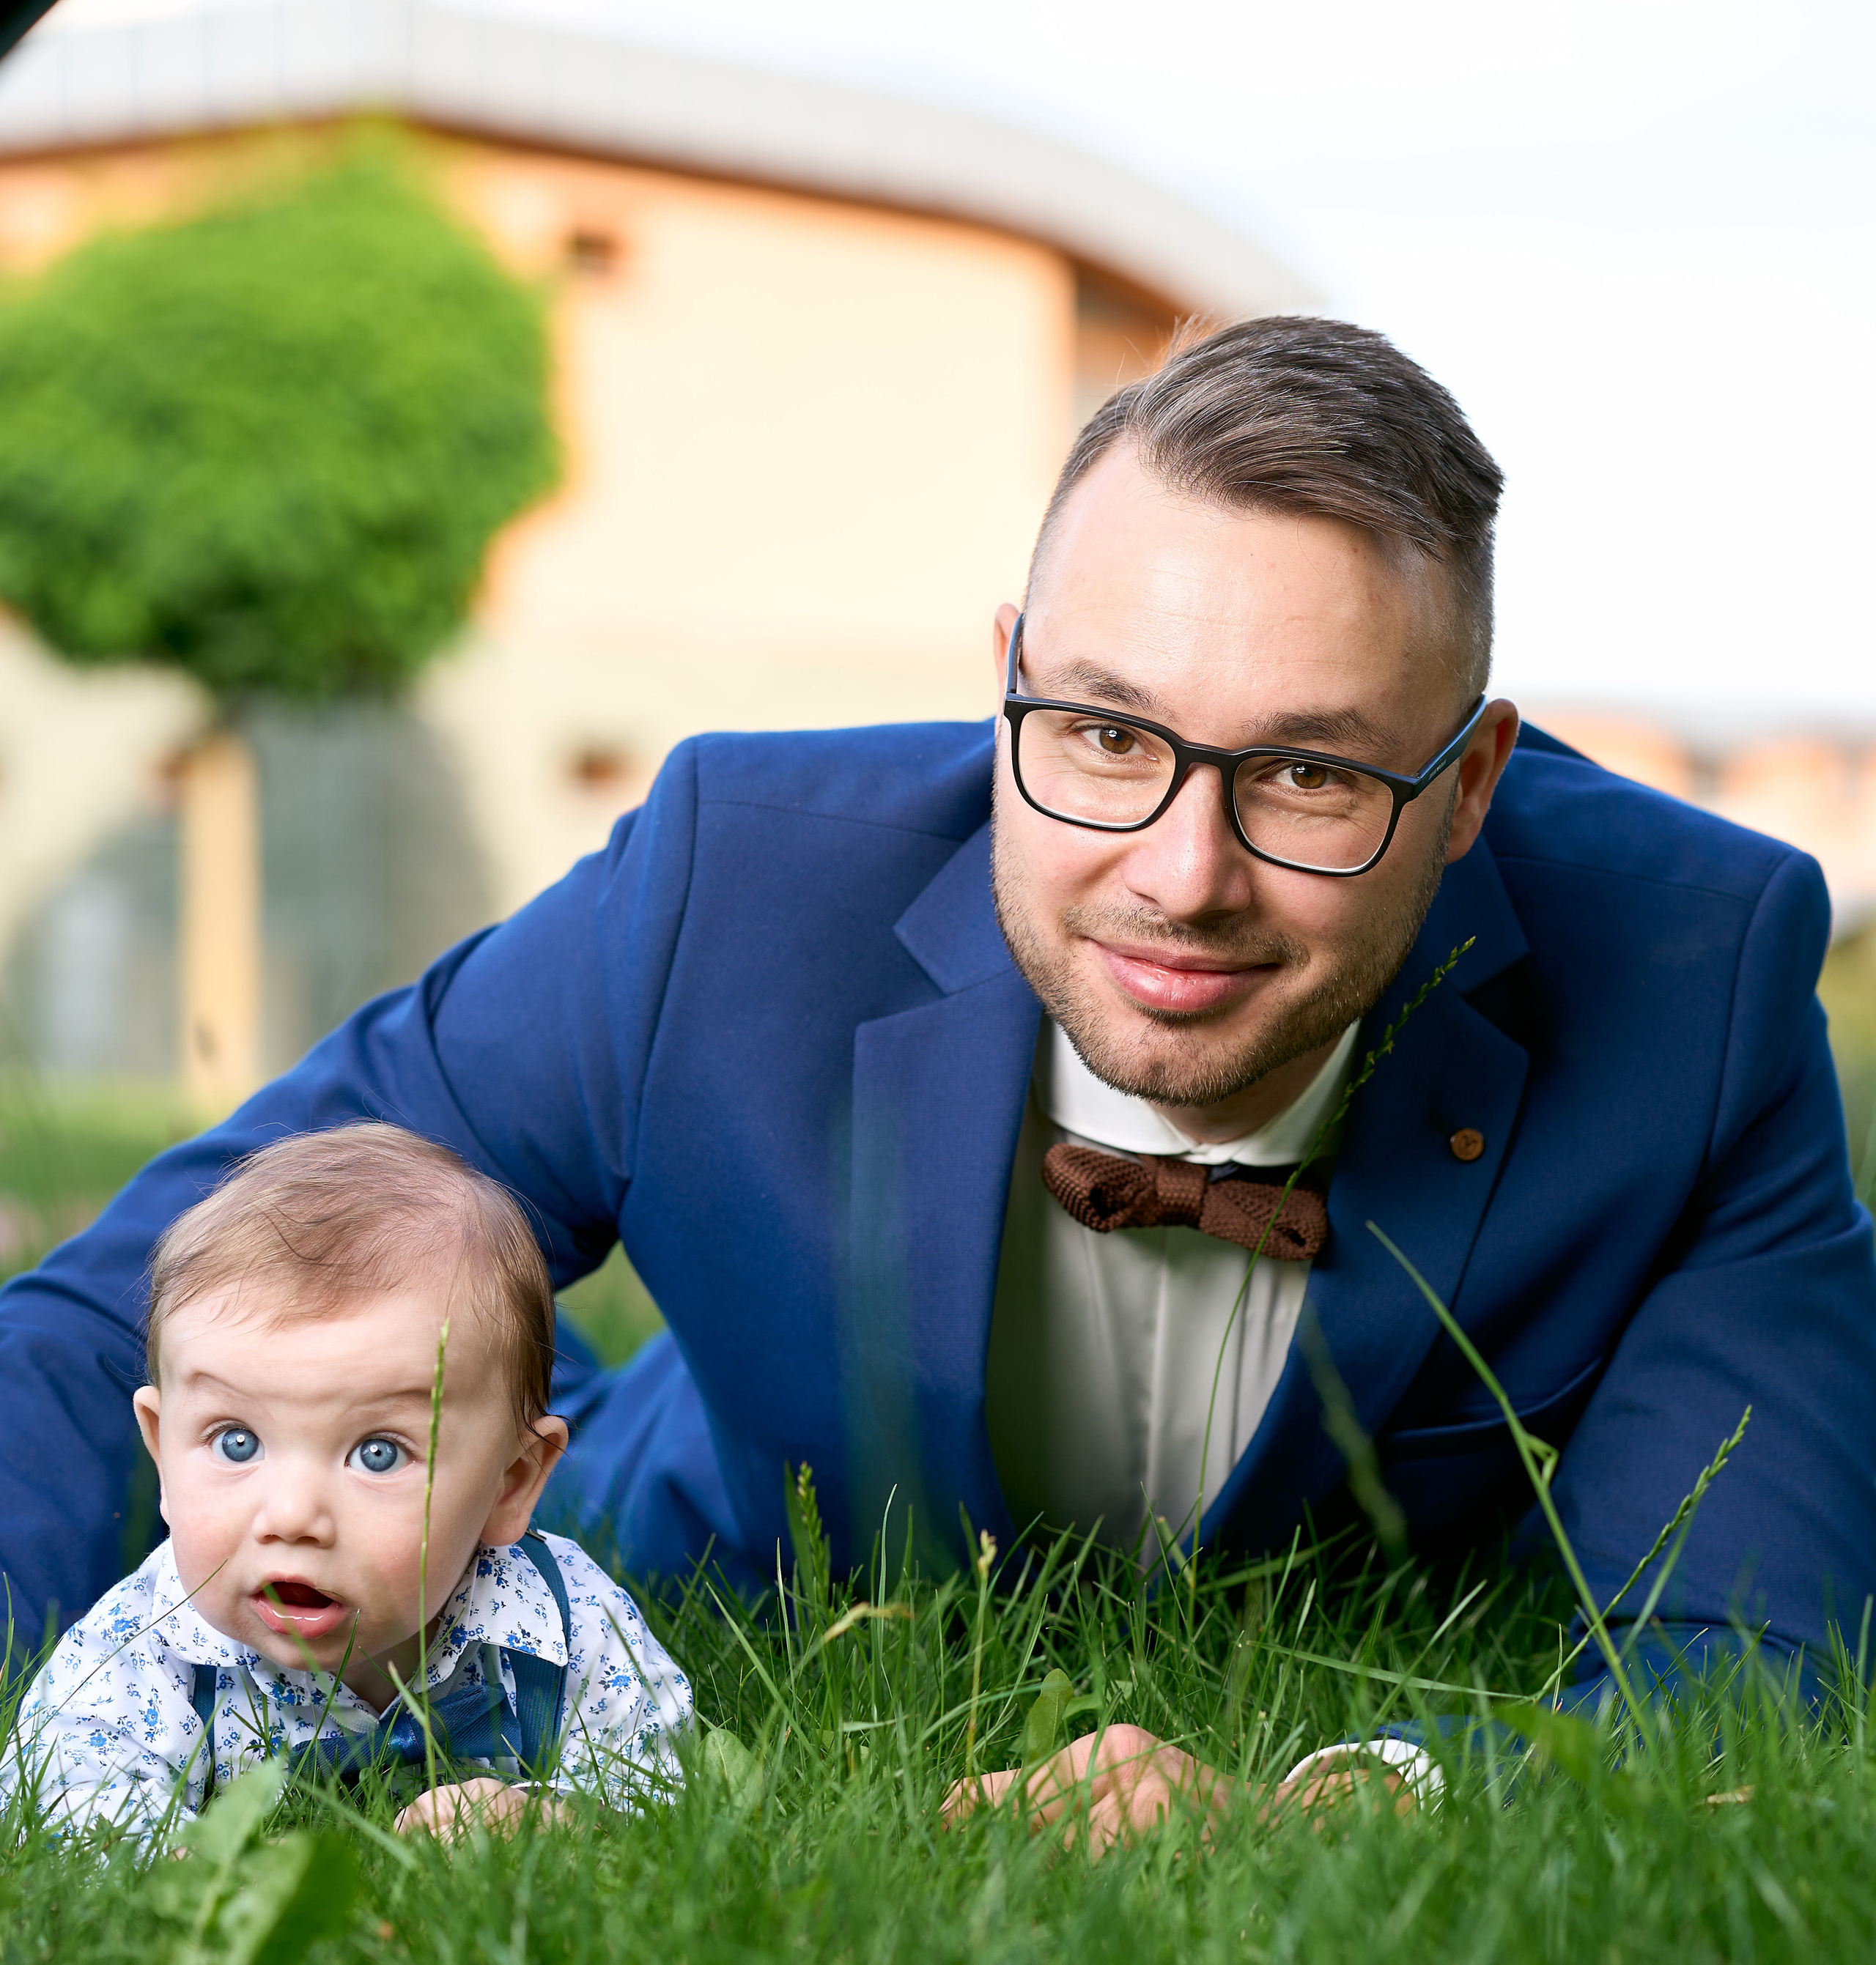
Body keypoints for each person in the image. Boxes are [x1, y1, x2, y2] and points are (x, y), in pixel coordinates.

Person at [1, 316, 1872, 1806]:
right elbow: (130, 1319)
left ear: (1464, 783)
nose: (1179, 874)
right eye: (1102, 730)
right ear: (1005, 679)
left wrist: (1336, 1793)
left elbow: (1744, 1663)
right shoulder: (729, 883)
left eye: (1306, 770)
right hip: (686, 1543)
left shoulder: (1697, 979)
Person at [1, 1125, 693, 1838]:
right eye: (236, 1443)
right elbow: (62, 1797)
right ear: (164, 1455)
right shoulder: (147, 1645)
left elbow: (663, 1784)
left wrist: (548, 1820)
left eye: (378, 1455)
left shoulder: (561, 1623)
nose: (294, 1515)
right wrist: (167, 1872)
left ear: (510, 1483)